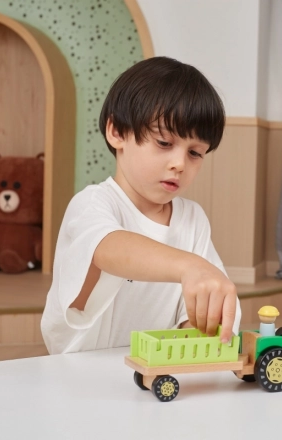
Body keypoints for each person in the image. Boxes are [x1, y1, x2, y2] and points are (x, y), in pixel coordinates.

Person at [41, 57, 241, 354]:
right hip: (82, 374)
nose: (179, 164)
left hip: (156, 373)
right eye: (163, 143)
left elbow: (204, 304)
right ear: (117, 132)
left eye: (195, 153)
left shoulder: (192, 219)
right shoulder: (93, 203)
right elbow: (107, 247)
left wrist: (201, 327)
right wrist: (190, 266)